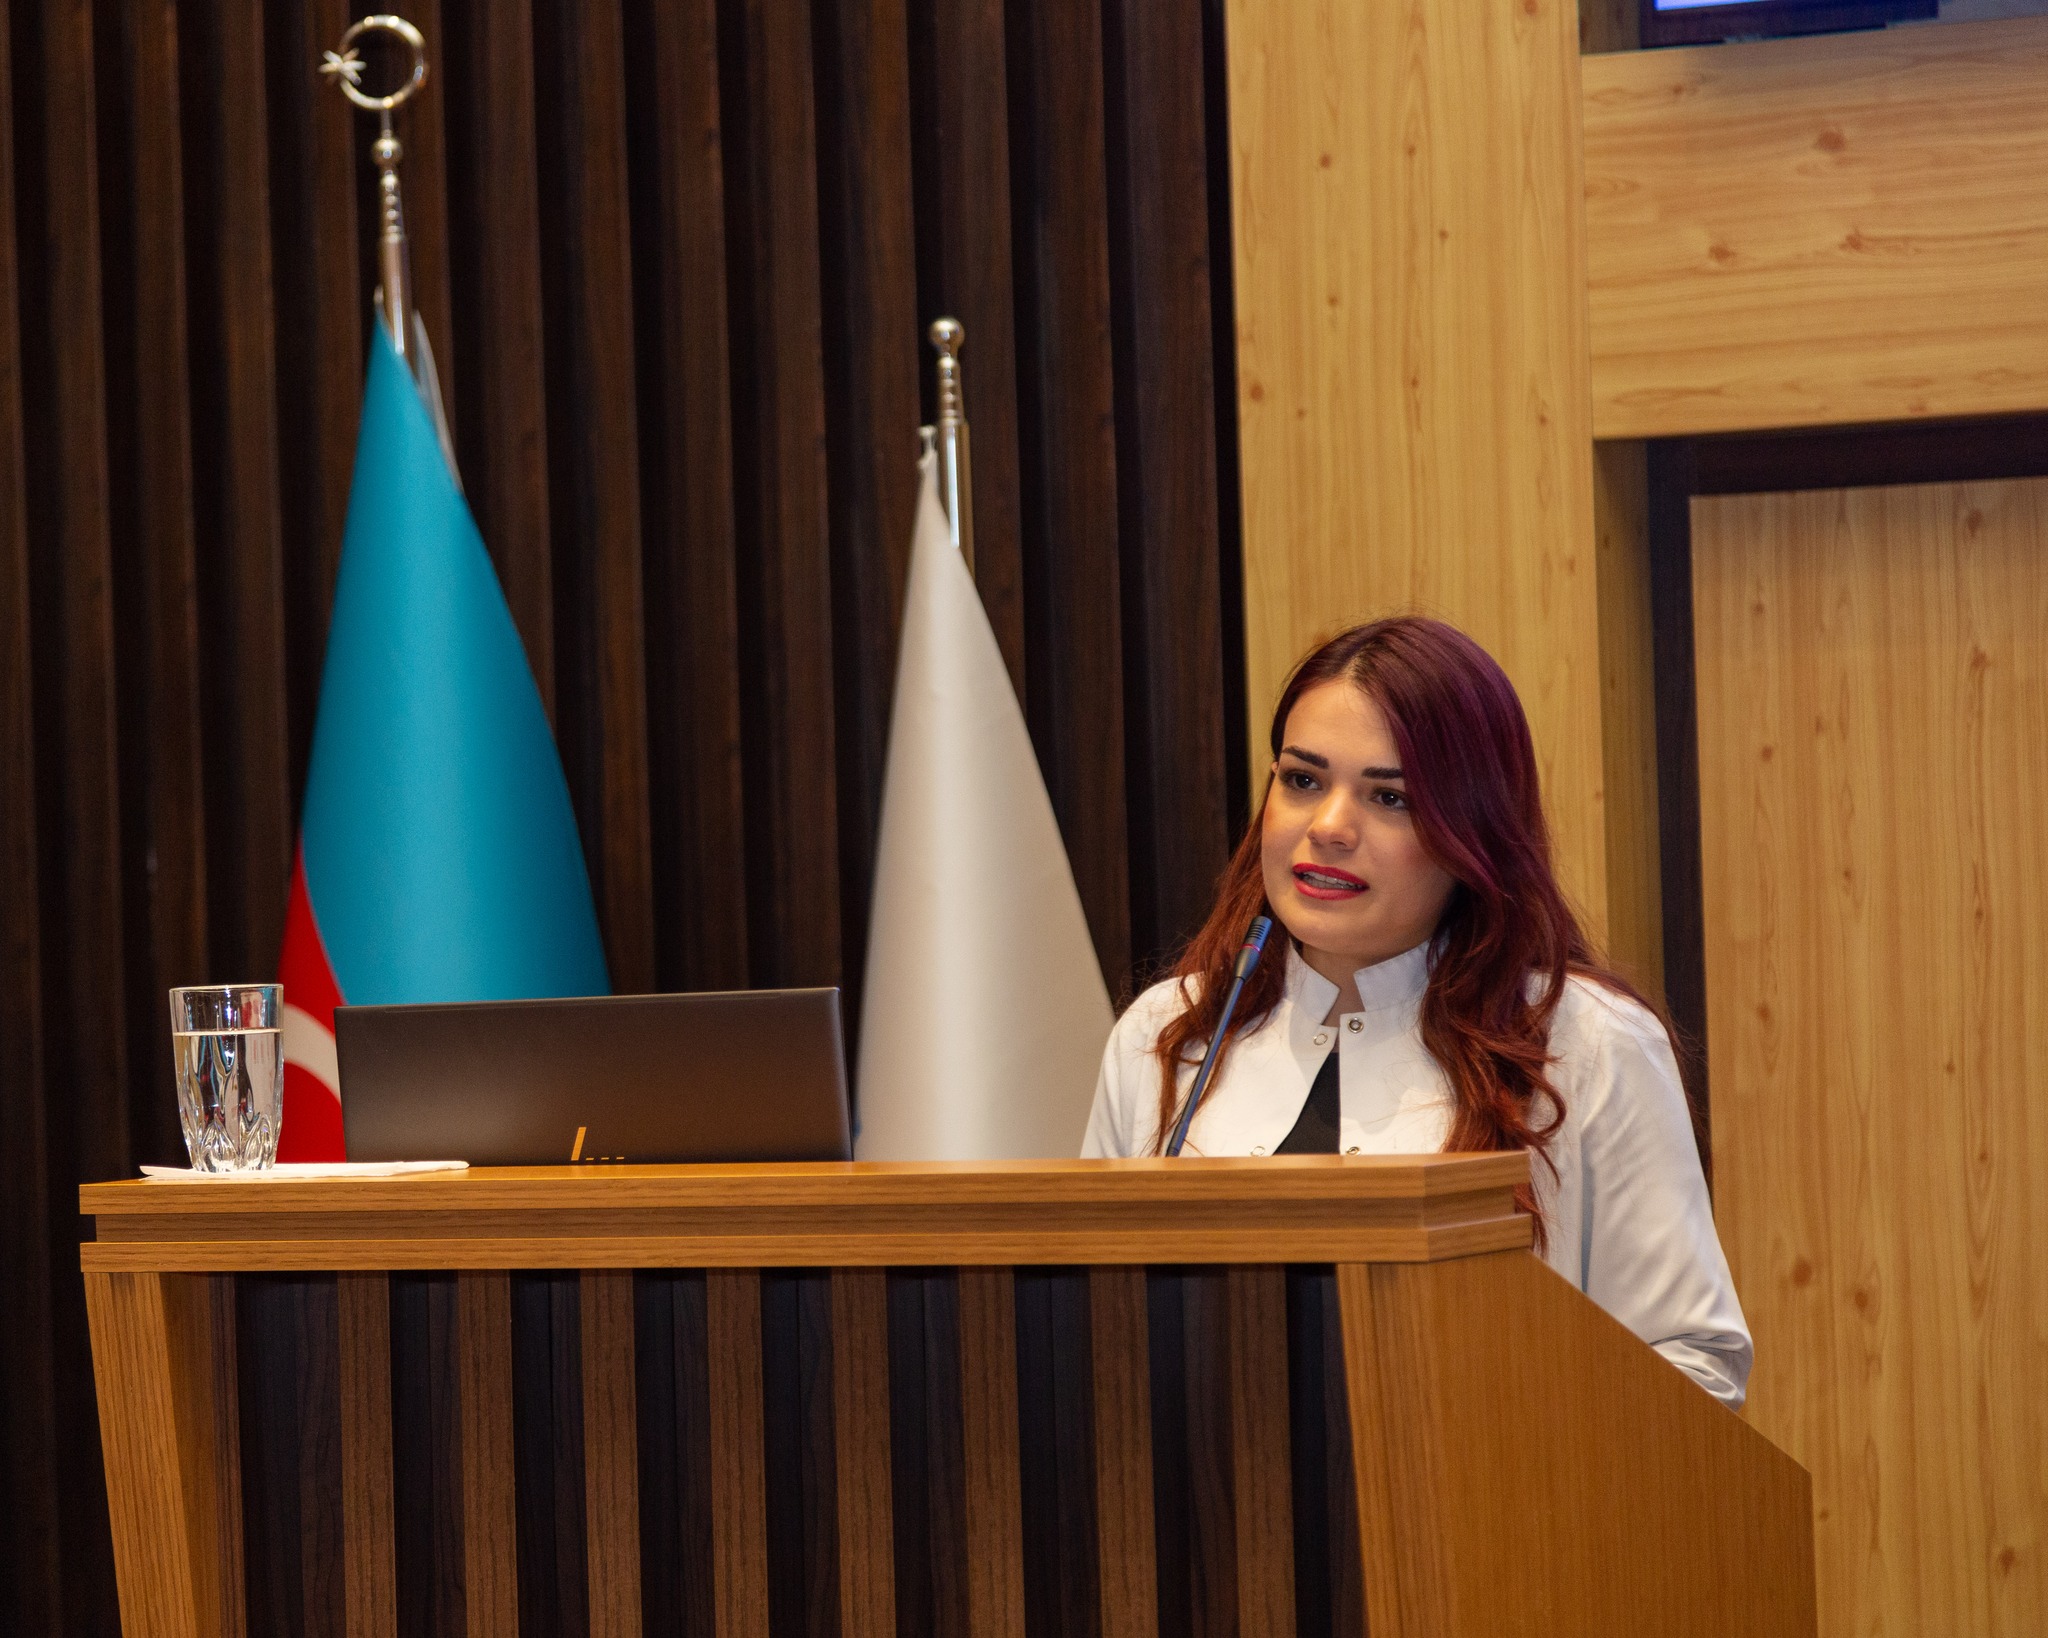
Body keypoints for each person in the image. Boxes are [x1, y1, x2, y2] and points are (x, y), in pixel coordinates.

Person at [1081, 616, 1752, 1407]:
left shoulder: (1589, 1041)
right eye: (1302, 780)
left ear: (1472, 833)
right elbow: (1096, 1337)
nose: (1329, 828)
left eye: (1390, 797)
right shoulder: (1165, 1034)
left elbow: (1696, 1365)